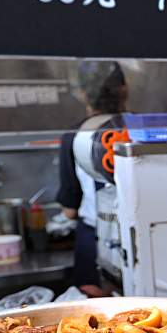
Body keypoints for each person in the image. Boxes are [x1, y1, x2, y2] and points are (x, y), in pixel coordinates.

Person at [57, 63, 128, 293]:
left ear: (83, 93)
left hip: (93, 239)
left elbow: (70, 209)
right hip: (140, 236)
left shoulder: (74, 135)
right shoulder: (141, 129)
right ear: (124, 90)